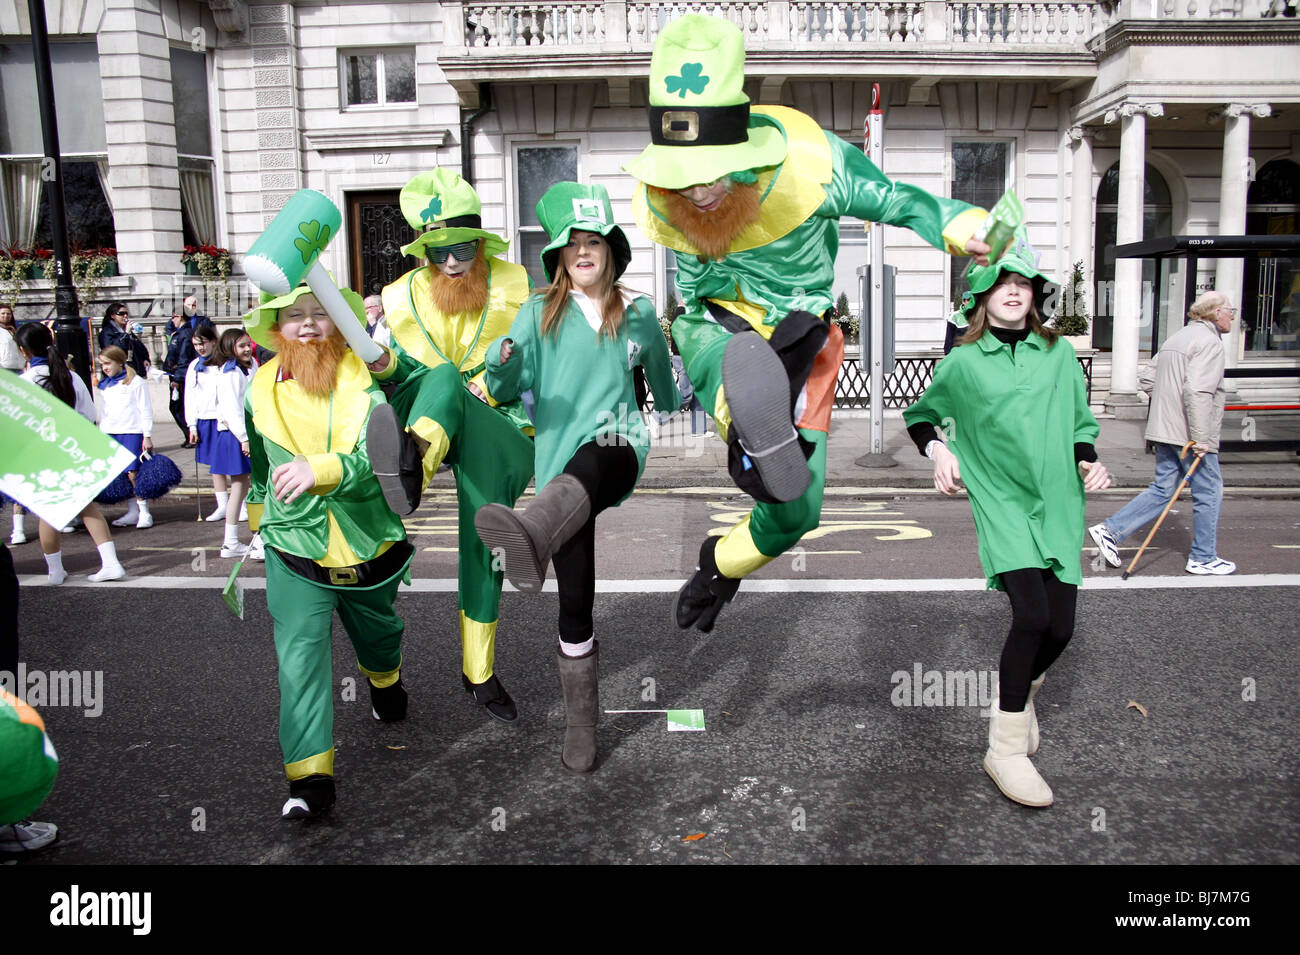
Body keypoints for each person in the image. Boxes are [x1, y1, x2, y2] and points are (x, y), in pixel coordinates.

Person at [624, 15, 992, 633]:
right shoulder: (667, 197)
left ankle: (718, 561)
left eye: (714, 171)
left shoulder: (813, 165)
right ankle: (746, 423)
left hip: (805, 336)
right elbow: (684, 290)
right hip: (718, 325)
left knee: (797, 515)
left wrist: (964, 227)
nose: (701, 191)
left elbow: (899, 199)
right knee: (736, 363)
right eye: (684, 177)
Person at [474, 183, 680, 773]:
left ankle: (532, 533)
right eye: (574, 245)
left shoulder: (636, 309)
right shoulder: (538, 312)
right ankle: (581, 727)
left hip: (618, 443)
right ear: (560, 258)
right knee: (576, 597)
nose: (585, 252)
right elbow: (508, 391)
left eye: (595, 242)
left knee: (599, 451)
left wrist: (670, 385)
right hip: (560, 470)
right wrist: (500, 362)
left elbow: (662, 385)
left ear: (611, 252)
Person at [903, 242, 1111, 808]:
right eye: (1000, 284)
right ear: (982, 299)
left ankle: (1018, 695)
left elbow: (1078, 421)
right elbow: (922, 415)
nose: (1014, 291)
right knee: (1033, 616)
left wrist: (1088, 458)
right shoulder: (964, 362)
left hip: (1059, 498)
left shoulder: (1058, 352)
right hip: (1001, 498)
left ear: (1034, 296)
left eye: (1023, 284)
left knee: (1061, 630)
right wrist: (940, 453)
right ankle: (1005, 749)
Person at [364, 168, 535, 722]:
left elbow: (533, 369)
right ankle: (414, 458)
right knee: (439, 378)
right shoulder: (395, 297)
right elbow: (402, 376)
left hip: (500, 423)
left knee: (485, 538)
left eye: (462, 247)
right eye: (437, 253)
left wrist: (497, 374)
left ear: (481, 243)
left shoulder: (519, 284)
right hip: (430, 405)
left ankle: (478, 669)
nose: (453, 263)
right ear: (422, 256)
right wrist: (385, 366)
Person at [242, 284, 413, 819]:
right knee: (300, 659)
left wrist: (322, 469)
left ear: (340, 324)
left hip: (365, 537)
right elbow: (260, 467)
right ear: (277, 329)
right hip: (293, 542)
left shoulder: (363, 379)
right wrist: (258, 517)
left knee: (379, 633)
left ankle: (385, 681)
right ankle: (310, 777)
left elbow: (376, 459)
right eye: (296, 316)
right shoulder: (259, 388)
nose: (310, 325)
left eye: (321, 314)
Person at [1089, 292, 1236, 576]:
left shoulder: (1177, 338)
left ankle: (1111, 529)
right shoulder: (1209, 343)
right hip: (1191, 436)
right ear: (1216, 312)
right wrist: (1202, 437)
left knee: (1163, 489)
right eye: (1230, 310)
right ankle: (1203, 557)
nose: (1233, 315)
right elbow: (1198, 391)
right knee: (1209, 492)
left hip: (1164, 431)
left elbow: (1147, 379)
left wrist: (1168, 406)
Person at [14, 324, 126, 584]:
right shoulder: (71, 376)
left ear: (23, 351)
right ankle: (109, 563)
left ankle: (56, 571)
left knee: (48, 512)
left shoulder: (24, 382)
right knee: (87, 508)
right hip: (72, 449)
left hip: (40, 454)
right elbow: (89, 416)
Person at [96, 345, 155, 529]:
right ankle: (132, 511)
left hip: (131, 432)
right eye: (102, 364)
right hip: (110, 432)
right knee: (121, 473)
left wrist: (147, 435)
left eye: (108, 363)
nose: (105, 368)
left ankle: (144, 511)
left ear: (120, 362)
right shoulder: (105, 385)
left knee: (133, 473)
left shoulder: (135, 382)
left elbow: (145, 409)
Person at [213, 327, 256, 557]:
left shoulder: (249, 366)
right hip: (235, 435)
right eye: (242, 346)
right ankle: (230, 541)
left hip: (248, 433)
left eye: (248, 344)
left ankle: (245, 538)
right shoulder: (229, 373)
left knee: (248, 486)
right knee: (239, 486)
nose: (247, 349)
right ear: (230, 348)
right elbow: (231, 410)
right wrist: (244, 438)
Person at [184, 324, 231, 522]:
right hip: (205, 420)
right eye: (196, 345)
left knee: (234, 464)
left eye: (203, 343)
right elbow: (190, 397)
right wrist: (192, 425)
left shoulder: (224, 364)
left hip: (224, 419)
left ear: (213, 341)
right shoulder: (194, 366)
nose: (200, 348)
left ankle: (243, 503)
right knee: (215, 466)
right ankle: (223, 505)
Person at [161, 311, 198, 445]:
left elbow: (184, 358)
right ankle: (188, 435)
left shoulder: (185, 334)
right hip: (176, 374)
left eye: (173, 317)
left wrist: (177, 379)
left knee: (179, 408)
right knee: (177, 407)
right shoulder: (179, 333)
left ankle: (190, 435)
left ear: (179, 317)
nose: (172, 321)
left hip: (181, 377)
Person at [97, 302, 149, 377]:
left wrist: (145, 358)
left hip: (133, 369)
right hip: (118, 372)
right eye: (121, 313)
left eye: (126, 313)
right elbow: (111, 351)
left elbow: (139, 346)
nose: (125, 316)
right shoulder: (106, 332)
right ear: (113, 316)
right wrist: (126, 334)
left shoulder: (125, 330)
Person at [0, 303, 23, 372]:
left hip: (19, 368)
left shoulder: (14, 331)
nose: (6, 316)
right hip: (4, 368)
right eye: (3, 313)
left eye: (8, 314)